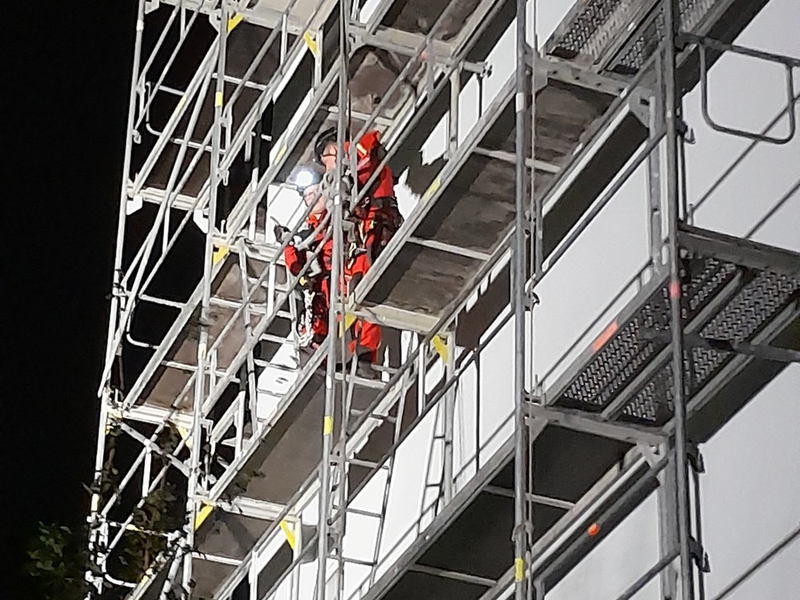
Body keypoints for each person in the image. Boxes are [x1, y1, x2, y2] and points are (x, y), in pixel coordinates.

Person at [312, 127, 404, 368]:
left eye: (325, 158)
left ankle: (365, 355)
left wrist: (342, 168)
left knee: (365, 288)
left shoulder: (357, 150)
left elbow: (366, 154)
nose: (326, 166)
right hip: (362, 237)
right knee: (351, 294)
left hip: (377, 226)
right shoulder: (341, 180)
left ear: (332, 149)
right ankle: (357, 354)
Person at [275, 163, 333, 351]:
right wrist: (287, 242)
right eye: (308, 195)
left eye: (315, 192)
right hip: (323, 287)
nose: (313, 198)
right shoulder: (305, 233)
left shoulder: (338, 213)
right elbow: (295, 266)